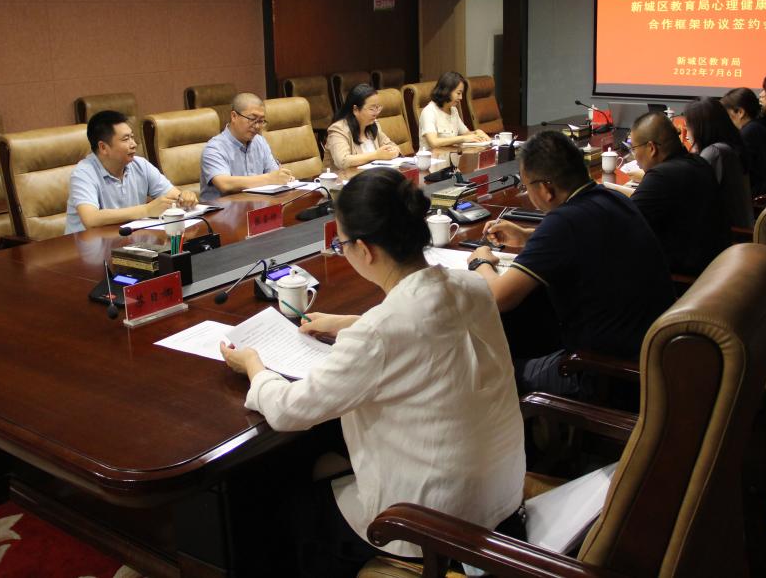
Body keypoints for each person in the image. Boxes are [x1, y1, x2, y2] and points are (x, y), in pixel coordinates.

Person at [221, 168, 526, 577]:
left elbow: (289, 410)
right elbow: (429, 324)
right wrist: (352, 322)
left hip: (429, 524)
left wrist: (253, 365)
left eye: (341, 244)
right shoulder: (470, 286)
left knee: (283, 506)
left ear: (364, 249)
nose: (342, 250)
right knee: (324, 461)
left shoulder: (379, 334)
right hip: (498, 496)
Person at [467, 130, 674, 396]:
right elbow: (583, 238)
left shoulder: (563, 224)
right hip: (651, 358)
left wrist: (481, 262)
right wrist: (528, 236)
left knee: (493, 371)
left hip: (601, 372)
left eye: (526, 186)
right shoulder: (613, 198)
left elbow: (498, 298)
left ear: (546, 189)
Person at [628, 112, 729, 276]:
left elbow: (625, 223)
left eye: (634, 149)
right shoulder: (699, 162)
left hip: (682, 278)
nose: (635, 157)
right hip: (714, 269)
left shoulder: (661, 177)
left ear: (651, 148)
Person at [65, 110, 197, 234]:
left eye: (132, 137)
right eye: (125, 139)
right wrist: (146, 210)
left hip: (128, 241)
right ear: (103, 147)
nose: (133, 144)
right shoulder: (83, 173)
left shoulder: (140, 165)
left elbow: (174, 196)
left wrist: (185, 198)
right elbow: (91, 219)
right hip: (86, 246)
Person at [199, 92, 296, 201]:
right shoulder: (214, 148)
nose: (257, 126)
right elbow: (225, 184)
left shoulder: (259, 141)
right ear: (234, 116)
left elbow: (275, 174)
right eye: (252, 119)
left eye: (261, 121)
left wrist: (283, 177)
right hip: (225, 209)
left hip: (257, 206)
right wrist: (269, 179)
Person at [683, 97, 754, 230]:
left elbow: (694, 194)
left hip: (730, 233)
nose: (686, 131)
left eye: (688, 125)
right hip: (734, 228)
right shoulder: (727, 146)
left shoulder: (715, 152)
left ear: (700, 127)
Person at [721, 86, 766, 196]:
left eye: (728, 114)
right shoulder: (759, 125)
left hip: (763, 196)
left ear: (740, 112)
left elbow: (738, 170)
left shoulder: (749, 132)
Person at [323, 84, 401, 169]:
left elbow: (391, 145)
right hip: (345, 177)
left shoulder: (373, 125)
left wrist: (395, 150)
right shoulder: (338, 129)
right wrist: (376, 155)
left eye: (377, 107)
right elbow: (342, 161)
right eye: (371, 109)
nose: (376, 113)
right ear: (356, 109)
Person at [417, 71, 491, 150]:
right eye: (458, 93)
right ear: (447, 91)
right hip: (432, 157)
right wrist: (462, 139)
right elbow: (434, 142)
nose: (461, 98)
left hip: (450, 155)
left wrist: (477, 133)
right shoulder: (429, 112)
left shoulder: (453, 110)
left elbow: (466, 134)